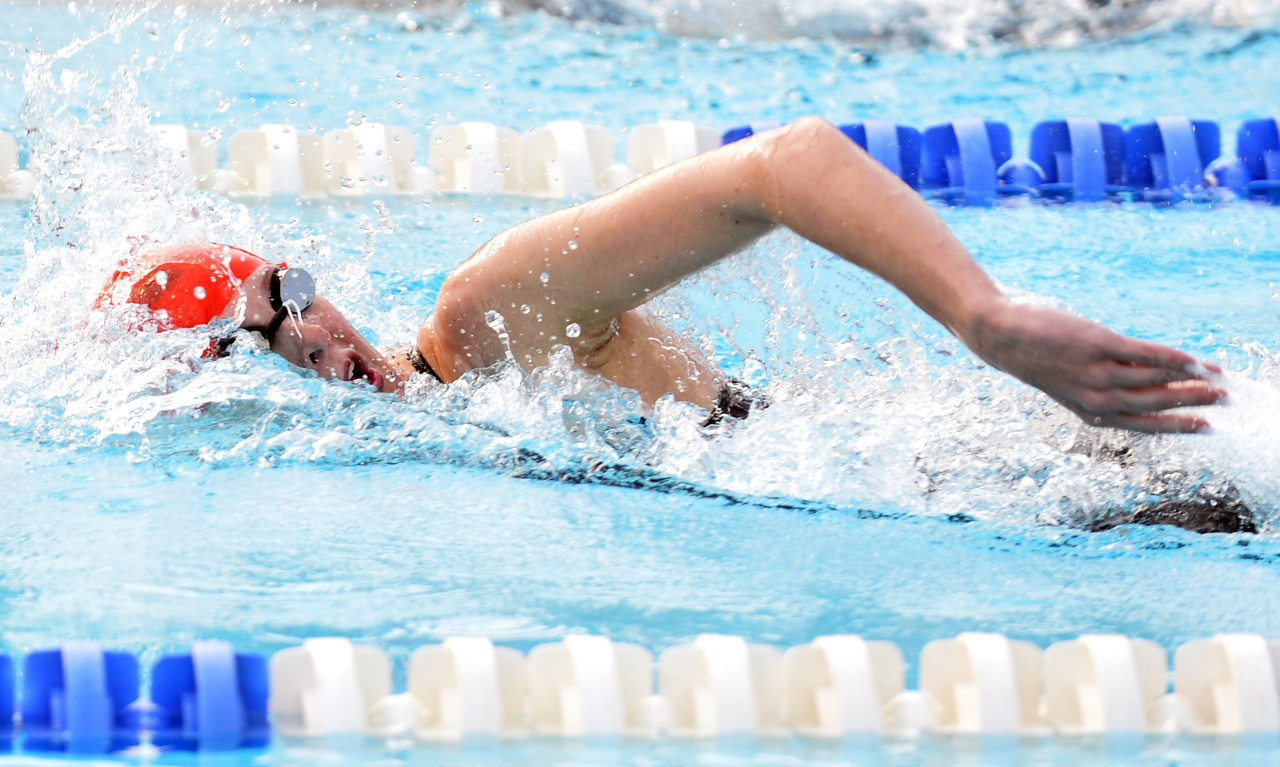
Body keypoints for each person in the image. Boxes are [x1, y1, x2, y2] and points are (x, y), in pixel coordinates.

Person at [100, 117, 1224, 434]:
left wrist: (984, 316)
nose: (317, 333)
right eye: (271, 331)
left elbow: (782, 163)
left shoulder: (485, 316)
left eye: (297, 288)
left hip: (1013, 465)